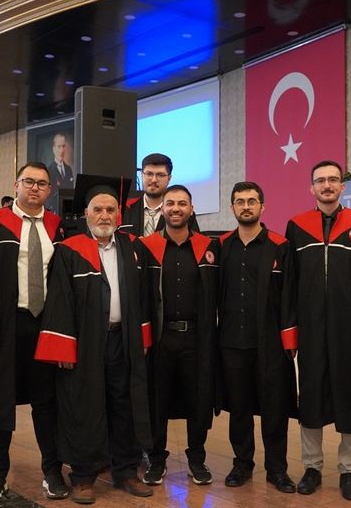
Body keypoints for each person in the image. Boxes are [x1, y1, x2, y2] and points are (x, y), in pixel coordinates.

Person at [35, 174, 153, 505]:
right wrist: (62, 347)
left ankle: (126, 470)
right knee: (83, 406)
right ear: (86, 213)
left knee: (124, 404)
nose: (104, 216)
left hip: (122, 340)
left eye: (110, 210)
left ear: (119, 214)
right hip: (85, 343)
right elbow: (58, 301)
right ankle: (83, 475)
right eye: (98, 209)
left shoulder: (132, 249)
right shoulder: (69, 250)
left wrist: (142, 338)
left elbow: (143, 298)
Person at [285, 160, 351, 501]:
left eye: (333, 180)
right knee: (310, 396)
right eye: (320, 181)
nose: (327, 185)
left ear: (342, 187)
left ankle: (349, 470)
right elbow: (289, 284)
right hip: (310, 328)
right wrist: (291, 332)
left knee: (350, 396)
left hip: (349, 328)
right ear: (312, 188)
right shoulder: (297, 227)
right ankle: (312, 466)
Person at [0, 162, 67, 503]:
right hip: (3, 326)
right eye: (28, 181)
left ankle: (52, 471)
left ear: (50, 190)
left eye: (42, 184)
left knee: (48, 402)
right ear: (15, 185)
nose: (35, 188)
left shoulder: (58, 227)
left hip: (44, 326)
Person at [217, 181, 298, 493]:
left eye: (252, 201)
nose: (246, 206)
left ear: (263, 207)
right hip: (232, 343)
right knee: (239, 410)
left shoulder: (280, 246)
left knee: (274, 410)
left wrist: (290, 341)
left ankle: (277, 470)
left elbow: (290, 296)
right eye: (240, 201)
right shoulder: (221, 246)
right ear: (232, 207)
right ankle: (242, 464)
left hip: (271, 345)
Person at [138, 184, 220, 487]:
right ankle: (156, 460)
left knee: (197, 400)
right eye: (170, 203)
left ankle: (196, 459)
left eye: (182, 204)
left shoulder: (209, 247)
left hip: (196, 339)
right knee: (157, 400)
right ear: (163, 209)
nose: (175, 208)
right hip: (161, 339)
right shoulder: (146, 247)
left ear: (191, 209)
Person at [119, 153, 199, 236]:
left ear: (169, 178)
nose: (154, 180)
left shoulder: (183, 213)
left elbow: (196, 242)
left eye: (160, 175)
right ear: (142, 175)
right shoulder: (124, 209)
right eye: (149, 174)